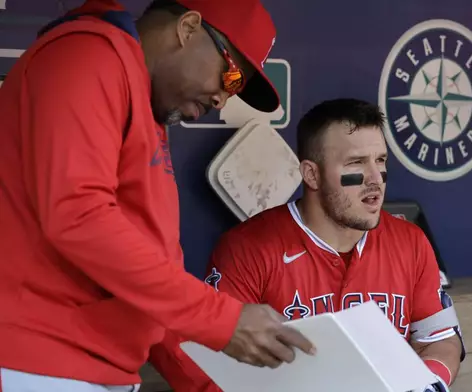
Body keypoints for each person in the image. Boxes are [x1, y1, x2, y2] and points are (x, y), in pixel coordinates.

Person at [0, 0, 315, 390]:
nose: (222, 99)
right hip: (33, 363)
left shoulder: (146, 109)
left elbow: (153, 287)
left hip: (95, 369)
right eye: (231, 77)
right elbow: (78, 215)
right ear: (188, 27)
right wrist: (222, 319)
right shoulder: (89, 54)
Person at [159, 98, 466, 391]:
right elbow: (208, 361)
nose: (376, 178)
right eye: (356, 163)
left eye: (381, 160)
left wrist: (428, 385)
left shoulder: (410, 242)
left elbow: (438, 338)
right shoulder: (248, 249)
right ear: (311, 174)